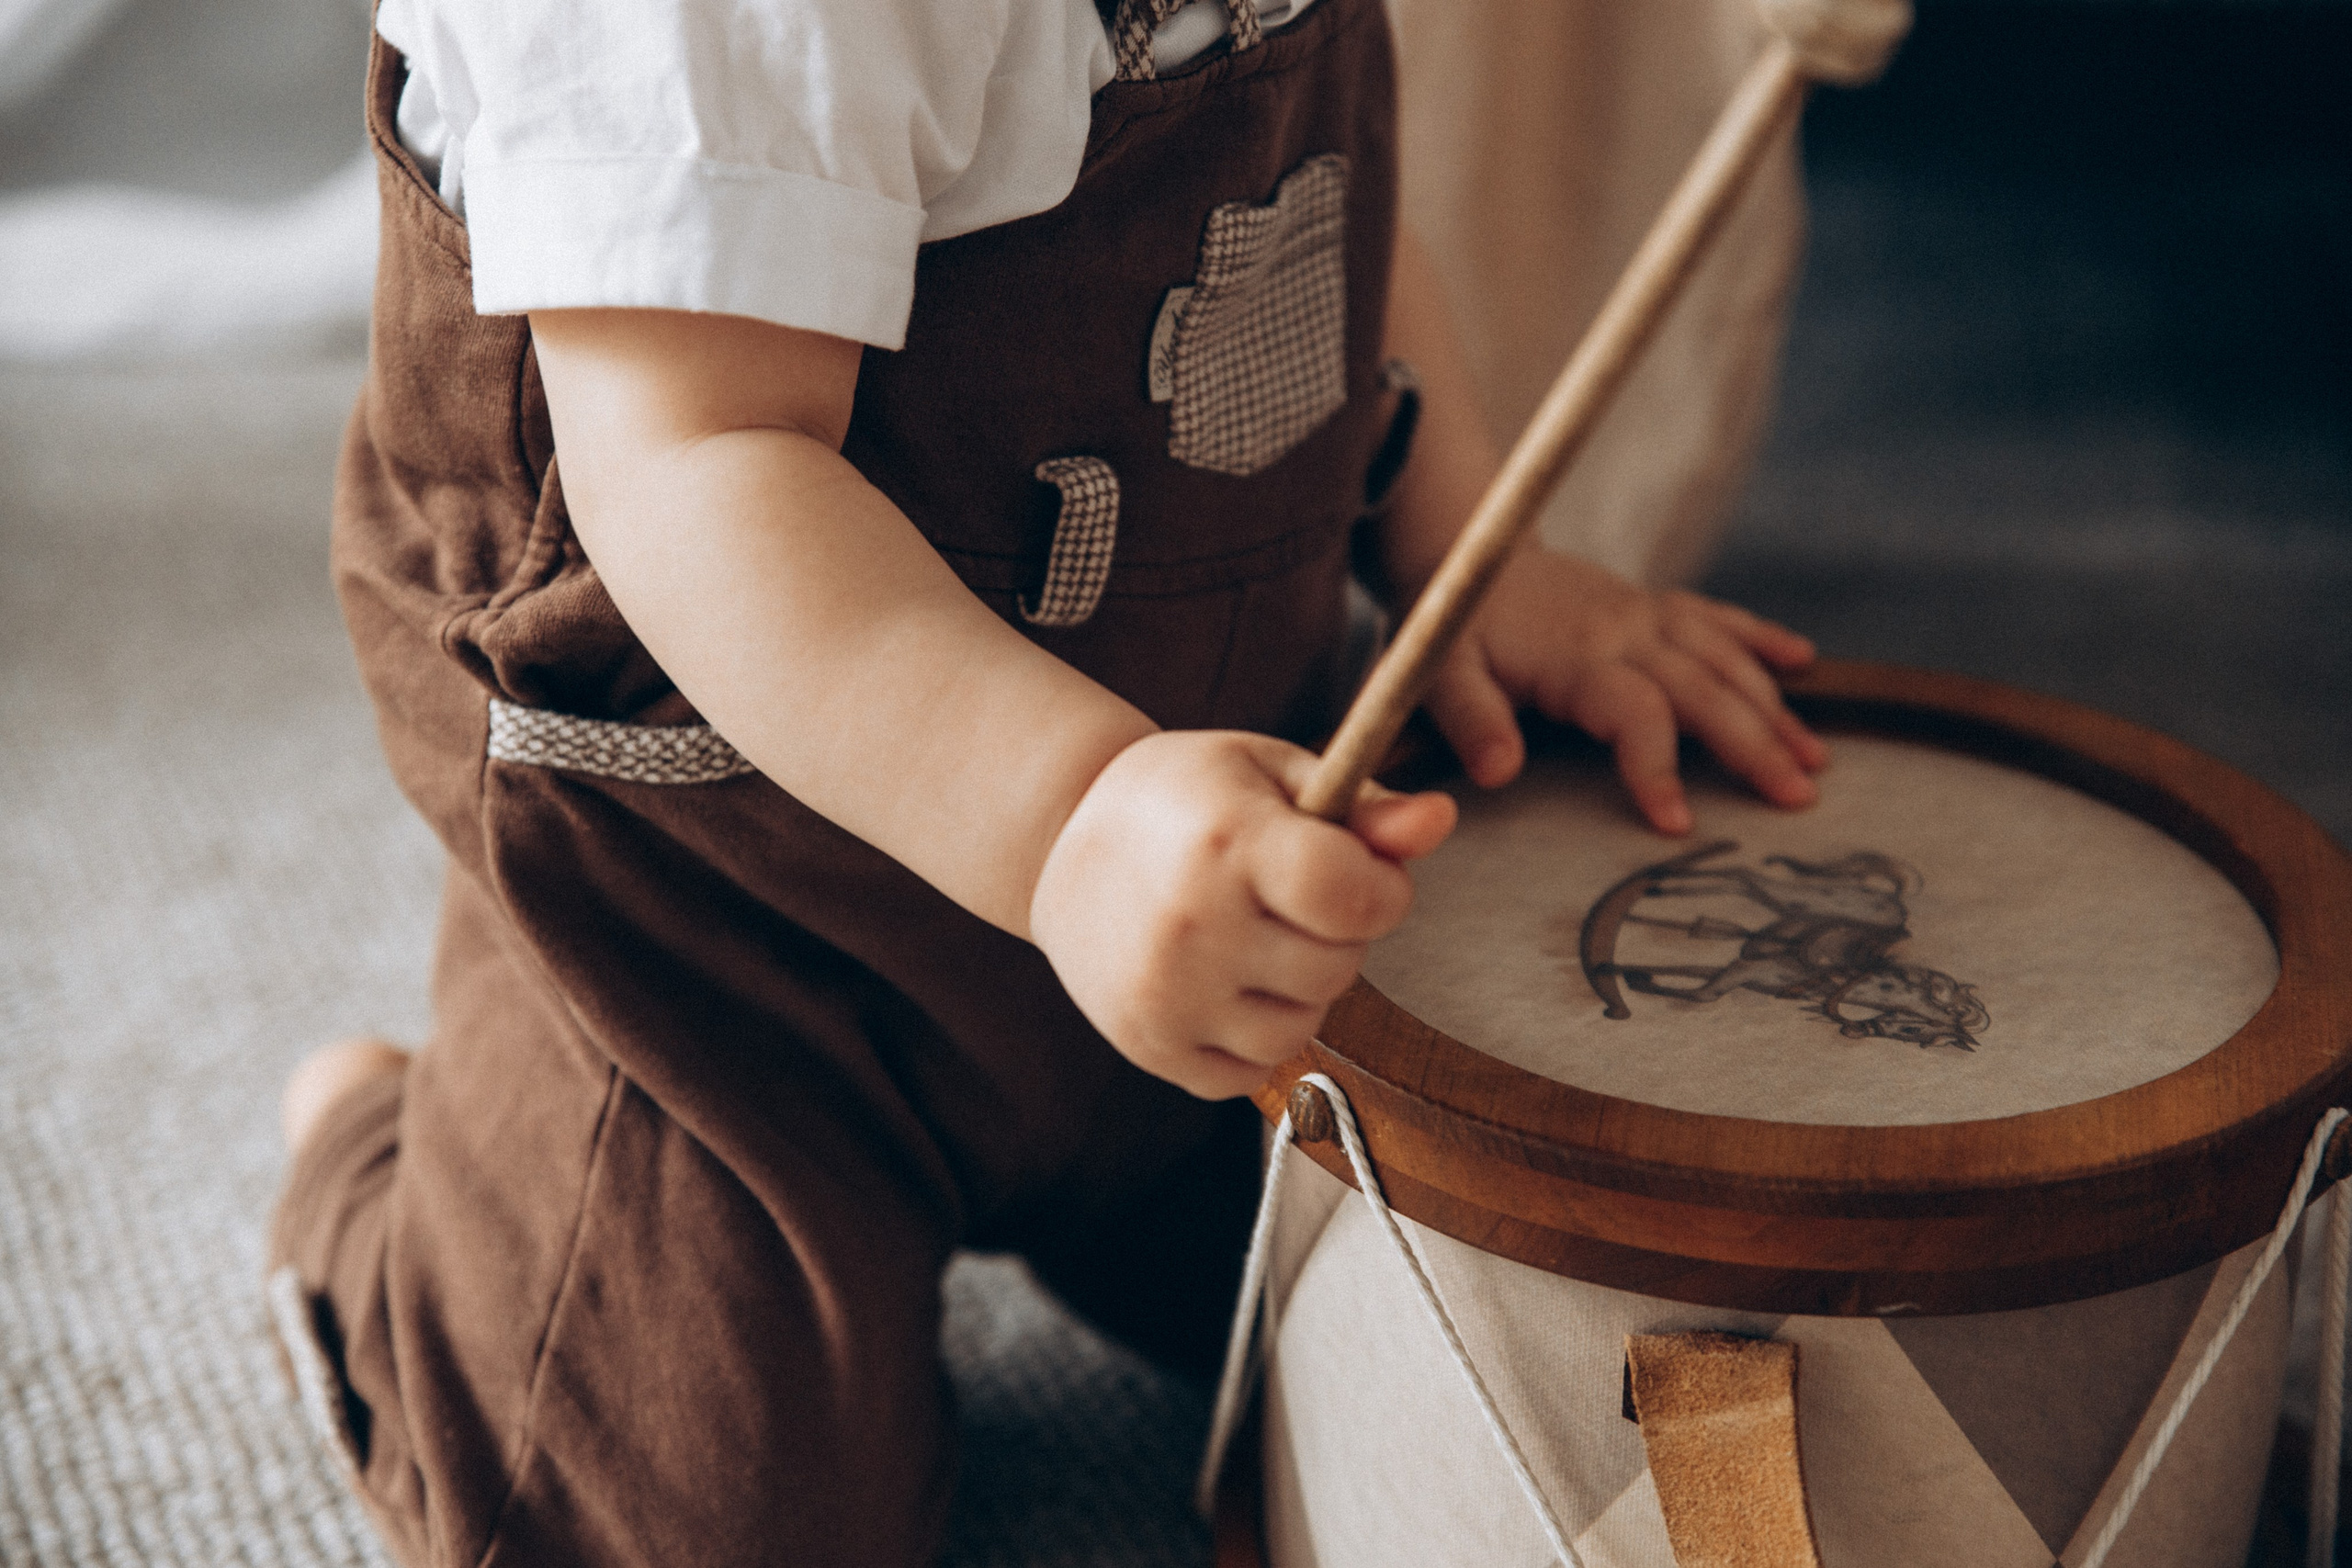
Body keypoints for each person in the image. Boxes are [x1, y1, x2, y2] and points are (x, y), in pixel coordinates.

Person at [268, 1, 1827, 1563]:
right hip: (730, 941)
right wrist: (1072, 823)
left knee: (1491, 1322)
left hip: (1184, 823)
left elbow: (1324, 197)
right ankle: (385, 1182)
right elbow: (695, 456)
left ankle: (1095, 1151)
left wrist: (1472, 552)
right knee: (695, 1510)